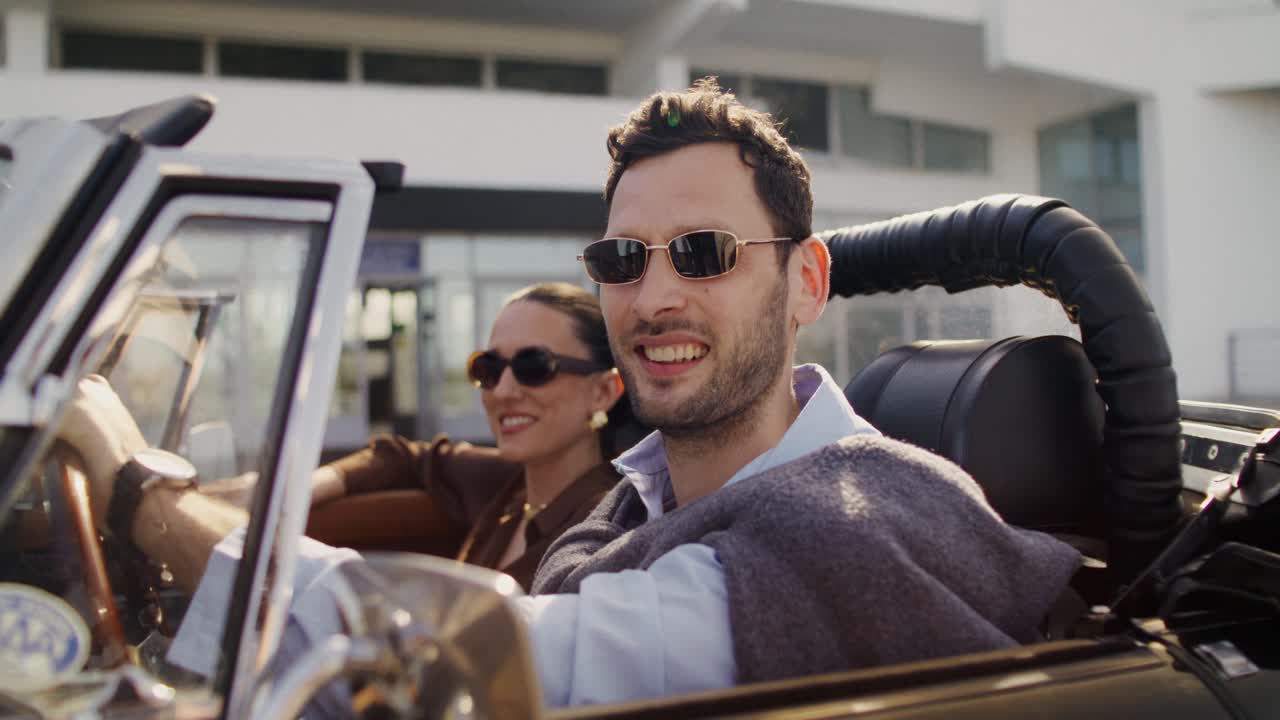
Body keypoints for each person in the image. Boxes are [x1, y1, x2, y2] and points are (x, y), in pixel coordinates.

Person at [58, 80, 1081, 711]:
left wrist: (143, 495)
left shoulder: (847, 529)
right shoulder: (637, 498)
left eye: (704, 252)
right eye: (623, 259)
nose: (655, 295)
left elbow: (464, 667)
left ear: (805, 282)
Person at [306, 281, 640, 590]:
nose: (502, 391)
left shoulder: (610, 528)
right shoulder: (508, 484)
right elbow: (404, 458)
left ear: (604, 391)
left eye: (534, 367)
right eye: (489, 368)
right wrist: (295, 492)